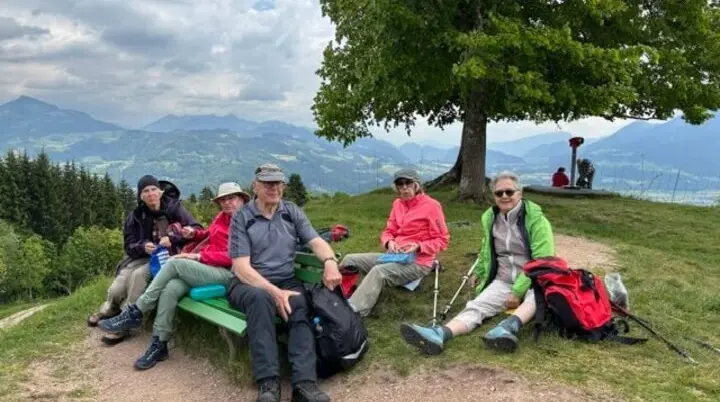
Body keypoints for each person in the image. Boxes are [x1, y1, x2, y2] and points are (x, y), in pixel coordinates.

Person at [97, 182, 251, 369]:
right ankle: (160, 343)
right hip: (208, 269)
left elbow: (235, 257)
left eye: (232, 198)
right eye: (223, 199)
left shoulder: (248, 223)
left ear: (242, 199)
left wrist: (198, 256)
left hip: (229, 276)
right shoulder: (222, 217)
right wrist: (193, 233)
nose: (227, 203)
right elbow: (208, 235)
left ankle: (136, 311)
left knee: (175, 262)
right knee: (171, 288)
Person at [400, 171, 555, 355]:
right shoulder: (491, 218)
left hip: (534, 278)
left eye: (509, 192)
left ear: (519, 194)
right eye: (499, 193)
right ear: (494, 196)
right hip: (504, 279)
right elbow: (487, 249)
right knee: (477, 305)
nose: (504, 196)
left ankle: (507, 328)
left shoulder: (536, 220)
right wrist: (480, 272)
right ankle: (440, 334)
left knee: (537, 296)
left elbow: (541, 260)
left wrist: (517, 291)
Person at [225, 163, 342, 402]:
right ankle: (268, 384)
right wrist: (274, 292)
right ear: (255, 185)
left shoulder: (291, 211)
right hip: (248, 284)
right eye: (267, 183)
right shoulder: (242, 217)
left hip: (286, 280)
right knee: (261, 302)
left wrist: (330, 261)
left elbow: (315, 240)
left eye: (278, 182)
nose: (274, 187)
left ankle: (304, 385)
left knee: (299, 306)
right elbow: (241, 267)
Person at [87, 175, 201, 345]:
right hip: (141, 257)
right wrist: (143, 246)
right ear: (140, 196)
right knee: (116, 290)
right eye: (146, 191)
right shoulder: (136, 216)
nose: (151, 194)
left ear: (160, 191)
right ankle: (110, 309)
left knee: (138, 277)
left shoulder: (175, 208)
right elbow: (128, 245)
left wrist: (173, 238)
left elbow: (197, 229)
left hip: (166, 257)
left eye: (154, 189)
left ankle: (125, 323)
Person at [339, 168, 449, 317]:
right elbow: (388, 231)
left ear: (417, 185)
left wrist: (418, 246)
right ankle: (339, 297)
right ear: (396, 187)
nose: (404, 188)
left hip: (419, 262)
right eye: (400, 184)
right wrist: (389, 242)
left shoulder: (432, 206)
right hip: (393, 256)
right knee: (349, 260)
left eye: (408, 183)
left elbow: (442, 239)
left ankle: (355, 311)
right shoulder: (397, 204)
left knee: (378, 272)